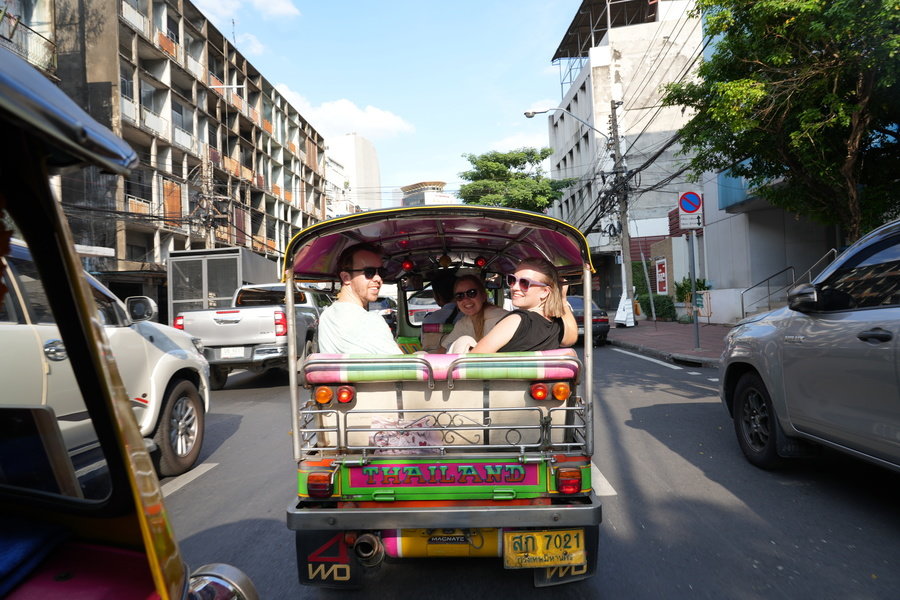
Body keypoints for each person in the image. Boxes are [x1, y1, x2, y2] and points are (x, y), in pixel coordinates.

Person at [469, 257, 577, 353]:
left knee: (464, 340)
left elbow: (471, 361)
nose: (514, 288)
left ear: (545, 291)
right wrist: (562, 299)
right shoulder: (556, 327)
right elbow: (571, 338)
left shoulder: (516, 320)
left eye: (524, 283)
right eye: (512, 280)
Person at [317, 243, 403, 354]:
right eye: (369, 272)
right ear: (346, 277)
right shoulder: (371, 321)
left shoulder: (326, 317)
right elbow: (404, 368)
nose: (378, 278)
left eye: (381, 272)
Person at [440, 274, 509, 353]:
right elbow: (443, 350)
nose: (465, 299)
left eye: (471, 293)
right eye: (460, 296)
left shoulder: (500, 318)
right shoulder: (463, 323)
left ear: (483, 296)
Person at [420, 270, 462, 352]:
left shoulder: (428, 320)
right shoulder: (469, 316)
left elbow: (424, 344)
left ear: (437, 296)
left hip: (434, 362)